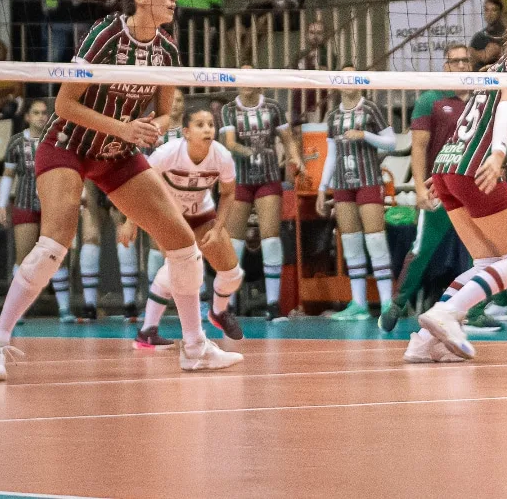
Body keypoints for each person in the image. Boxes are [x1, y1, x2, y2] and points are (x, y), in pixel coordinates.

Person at [0, 0, 241, 381]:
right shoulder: (104, 35)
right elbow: (64, 106)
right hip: (68, 146)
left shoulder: (168, 50)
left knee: (181, 240)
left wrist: (155, 127)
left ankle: (194, 347)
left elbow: (166, 112)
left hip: (116, 153)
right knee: (54, 244)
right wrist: (124, 128)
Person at [416, 5, 507, 360]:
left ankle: (422, 342)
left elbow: (469, 118)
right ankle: (446, 313)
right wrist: (497, 155)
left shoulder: (498, 65)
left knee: (485, 263)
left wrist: (446, 166)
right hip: (476, 168)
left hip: (451, 166)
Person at [380, 44, 473, 341]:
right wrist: (420, 187)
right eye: (454, 61)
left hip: (472, 188)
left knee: (480, 252)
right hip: (440, 188)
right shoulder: (430, 100)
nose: (460, 66)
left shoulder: (482, 99)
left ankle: (476, 308)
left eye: (465, 61)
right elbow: (418, 148)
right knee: (422, 250)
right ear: (446, 66)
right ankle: (398, 303)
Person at [131, 108, 243, 348]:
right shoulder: (166, 154)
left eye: (211, 125)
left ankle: (218, 312)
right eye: (200, 125)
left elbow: (228, 193)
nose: (207, 130)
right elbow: (137, 183)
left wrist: (218, 227)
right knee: (180, 270)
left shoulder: (221, 156)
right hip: (169, 217)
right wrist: (130, 222)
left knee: (233, 274)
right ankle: (148, 330)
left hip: (202, 214)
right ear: (186, 132)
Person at [220, 73, 301, 321]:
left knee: (270, 237)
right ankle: (228, 304)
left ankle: (273, 304)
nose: (245, 82)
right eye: (240, 78)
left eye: (250, 77)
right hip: (241, 179)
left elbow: (287, 139)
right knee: (233, 240)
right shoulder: (229, 109)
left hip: (267, 177)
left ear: (259, 82)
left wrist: (295, 157)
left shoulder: (273, 107)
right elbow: (230, 143)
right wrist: (250, 151)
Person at [317, 68, 396, 322]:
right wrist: (321, 188)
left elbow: (392, 143)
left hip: (368, 180)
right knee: (350, 244)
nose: (348, 81)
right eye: (343, 77)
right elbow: (330, 155)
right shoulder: (332, 116)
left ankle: (386, 304)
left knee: (375, 240)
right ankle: (358, 304)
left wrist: (365, 135)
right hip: (342, 184)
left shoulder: (370, 109)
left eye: (353, 77)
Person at [0, 101, 72, 323]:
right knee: (24, 256)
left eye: (44, 113)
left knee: (55, 254)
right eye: (36, 113)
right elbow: (8, 175)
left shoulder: (59, 140)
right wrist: (2, 204)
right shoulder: (16, 142)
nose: (41, 117)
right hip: (24, 201)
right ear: (28, 117)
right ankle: (16, 311)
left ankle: (65, 309)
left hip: (53, 203)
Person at [470, 0, 507, 68]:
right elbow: (469, 57)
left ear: (500, 13)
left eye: (494, 10)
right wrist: (482, 55)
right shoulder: (479, 36)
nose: (489, 14)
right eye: (486, 10)